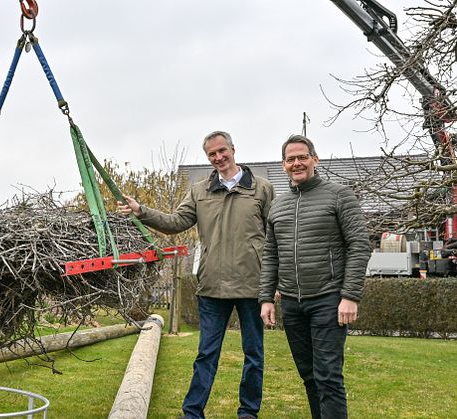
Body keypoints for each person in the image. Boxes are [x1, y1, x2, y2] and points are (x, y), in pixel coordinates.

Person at [118, 131, 274, 419]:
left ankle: (248, 413)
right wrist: (142, 211)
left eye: (222, 151)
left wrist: (273, 284)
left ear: (233, 149)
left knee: (254, 356)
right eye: (212, 154)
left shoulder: (262, 189)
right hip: (212, 287)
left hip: (253, 287)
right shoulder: (199, 191)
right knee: (206, 356)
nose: (218, 157)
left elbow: (276, 237)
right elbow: (175, 222)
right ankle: (192, 412)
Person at [258, 134, 370, 419]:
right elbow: (271, 254)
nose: (297, 163)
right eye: (290, 159)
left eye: (302, 157)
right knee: (309, 376)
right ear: (283, 165)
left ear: (315, 160)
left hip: (328, 300)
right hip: (293, 305)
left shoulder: (339, 195)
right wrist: (266, 299)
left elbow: (359, 245)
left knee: (328, 376)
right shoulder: (278, 206)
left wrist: (350, 296)